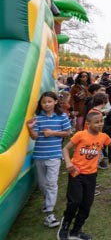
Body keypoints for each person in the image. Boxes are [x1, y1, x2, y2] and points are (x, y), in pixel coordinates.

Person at [57, 112, 111, 240]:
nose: (100, 124)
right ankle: (65, 225)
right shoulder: (80, 135)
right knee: (74, 201)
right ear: (88, 124)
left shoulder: (103, 137)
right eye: (97, 122)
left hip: (91, 175)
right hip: (76, 173)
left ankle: (76, 231)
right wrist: (68, 163)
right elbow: (65, 149)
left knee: (86, 204)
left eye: (101, 121)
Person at [26, 91, 71, 228]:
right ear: (41, 104)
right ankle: (47, 202)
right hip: (39, 155)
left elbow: (68, 132)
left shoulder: (62, 116)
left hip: (54, 156)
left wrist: (52, 133)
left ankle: (50, 214)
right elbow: (35, 137)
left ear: (55, 102)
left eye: (49, 101)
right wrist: (30, 129)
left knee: (52, 184)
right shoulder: (38, 118)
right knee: (43, 184)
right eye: (44, 102)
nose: (46, 104)